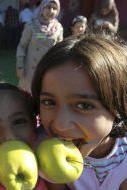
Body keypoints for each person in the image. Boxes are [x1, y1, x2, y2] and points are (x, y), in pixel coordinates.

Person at [31, 34, 127, 190]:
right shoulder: (39, 150)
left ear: (118, 104)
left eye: (83, 105)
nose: (61, 125)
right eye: (49, 102)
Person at [16, 0, 63, 92]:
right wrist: (19, 66)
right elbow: (22, 46)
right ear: (42, 8)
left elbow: (59, 50)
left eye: (55, 8)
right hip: (30, 70)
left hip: (48, 69)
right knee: (27, 97)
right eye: (48, 7)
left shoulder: (59, 28)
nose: (51, 11)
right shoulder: (31, 26)